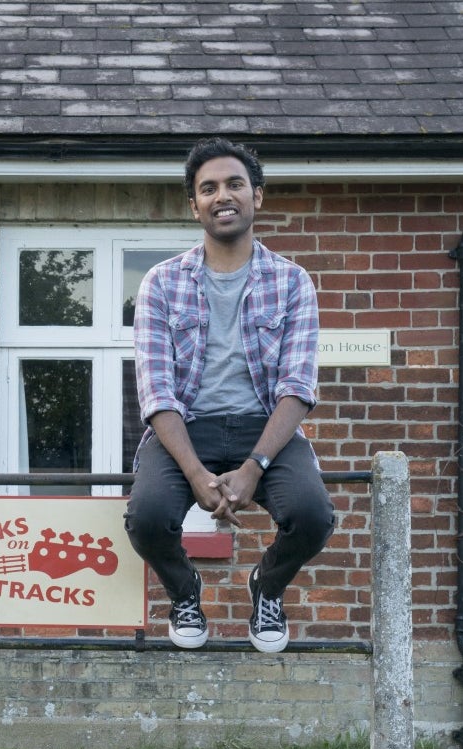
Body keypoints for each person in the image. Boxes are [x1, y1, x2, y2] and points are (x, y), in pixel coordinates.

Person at [125, 138, 336, 653]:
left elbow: (297, 387)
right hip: (185, 426)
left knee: (313, 515)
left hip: (264, 427)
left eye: (235, 184)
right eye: (209, 188)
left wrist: (254, 467)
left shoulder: (292, 282)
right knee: (147, 516)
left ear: (257, 197)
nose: (224, 195)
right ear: (192, 205)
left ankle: (266, 587)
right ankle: (185, 591)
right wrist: (197, 475)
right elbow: (157, 392)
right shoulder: (160, 282)